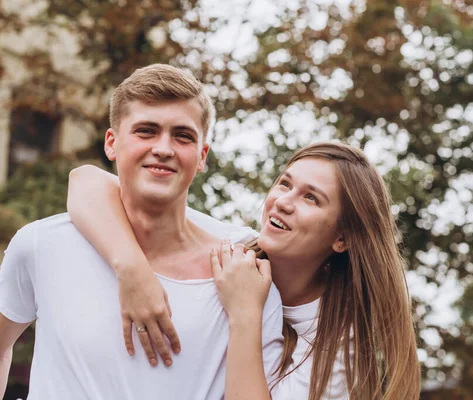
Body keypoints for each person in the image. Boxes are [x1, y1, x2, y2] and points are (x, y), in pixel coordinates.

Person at [0, 64, 284, 399]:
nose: (164, 148)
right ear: (111, 143)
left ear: (202, 156)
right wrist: (132, 269)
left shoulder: (244, 266)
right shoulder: (42, 244)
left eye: (183, 136)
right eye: (146, 131)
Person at [67, 141, 422, 399]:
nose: (283, 201)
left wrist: (245, 314)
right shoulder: (231, 245)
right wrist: (133, 272)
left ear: (342, 238)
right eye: (285, 183)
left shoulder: (336, 347)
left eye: (310, 198)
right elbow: (86, 181)